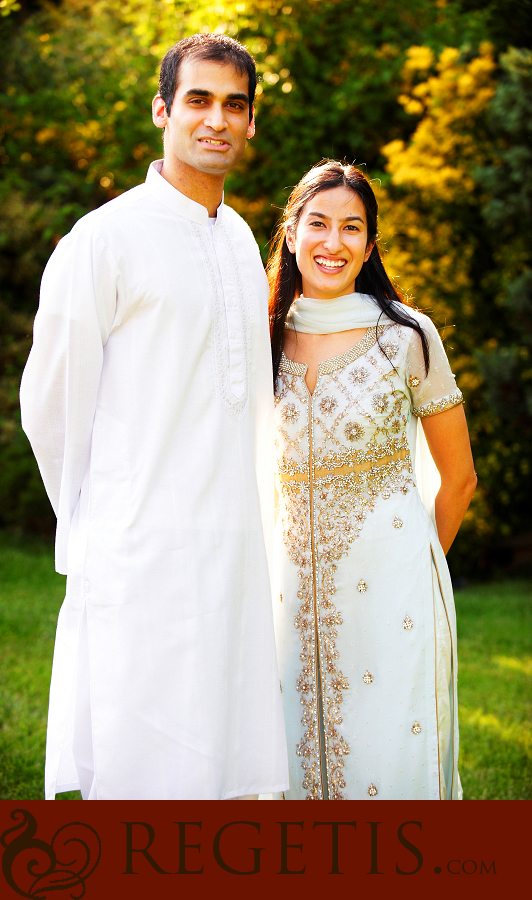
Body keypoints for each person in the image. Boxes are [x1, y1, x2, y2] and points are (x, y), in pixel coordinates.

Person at [20, 33, 288, 801]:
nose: (217, 120)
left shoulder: (239, 238)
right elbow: (50, 400)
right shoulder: (105, 238)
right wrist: (93, 516)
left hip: (234, 539)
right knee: (147, 748)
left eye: (235, 105)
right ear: (162, 110)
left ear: (250, 124)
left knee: (224, 747)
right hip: (139, 538)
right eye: (198, 100)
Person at [267, 160, 477, 800]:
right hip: (287, 591)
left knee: (386, 761)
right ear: (293, 232)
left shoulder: (408, 337)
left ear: (369, 243)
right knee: (292, 752)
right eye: (319, 224)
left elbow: (460, 478)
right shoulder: (261, 336)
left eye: (352, 227)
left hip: (393, 589)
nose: (334, 242)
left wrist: (413, 569)